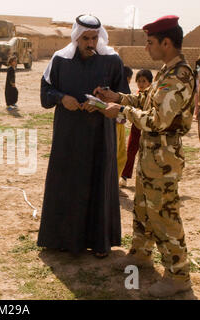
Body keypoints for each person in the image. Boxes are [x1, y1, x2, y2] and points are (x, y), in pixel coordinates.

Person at [96, 15, 196, 297]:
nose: (147, 47)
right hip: (152, 154)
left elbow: (157, 120)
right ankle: (140, 254)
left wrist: (122, 112)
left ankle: (178, 276)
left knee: (164, 214)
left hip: (164, 155)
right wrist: (117, 97)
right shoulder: (166, 71)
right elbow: (145, 99)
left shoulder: (180, 76)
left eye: (150, 42)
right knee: (142, 206)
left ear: (166, 43)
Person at [37, 14, 129, 258]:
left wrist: (101, 102)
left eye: (94, 38)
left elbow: (124, 98)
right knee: (67, 183)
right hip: (69, 136)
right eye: (85, 38)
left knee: (98, 183)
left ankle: (100, 242)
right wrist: (61, 97)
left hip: (100, 137)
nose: (90, 43)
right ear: (76, 37)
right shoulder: (60, 60)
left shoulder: (112, 61)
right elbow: (45, 92)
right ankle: (61, 240)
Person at [120, 69, 153, 187]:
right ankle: (124, 176)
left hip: (148, 128)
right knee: (130, 151)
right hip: (136, 127)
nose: (141, 84)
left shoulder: (152, 96)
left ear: (150, 83)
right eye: (139, 81)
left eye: (144, 81)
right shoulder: (137, 95)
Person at [115, 66, 132, 181]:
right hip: (114, 125)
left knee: (121, 155)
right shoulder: (118, 89)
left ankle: (114, 184)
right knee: (116, 155)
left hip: (120, 124)